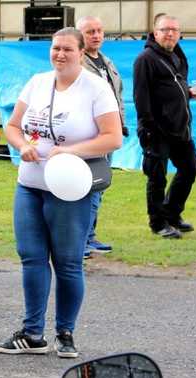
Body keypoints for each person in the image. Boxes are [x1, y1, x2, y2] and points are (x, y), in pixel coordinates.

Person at [0, 27, 121, 358]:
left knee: (67, 263)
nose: (60, 54)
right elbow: (12, 126)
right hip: (30, 185)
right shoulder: (37, 82)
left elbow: (113, 137)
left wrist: (73, 151)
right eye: (55, 48)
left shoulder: (96, 88)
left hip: (71, 190)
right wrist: (22, 145)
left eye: (67, 49)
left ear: (81, 53)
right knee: (31, 257)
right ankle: (32, 333)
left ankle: (65, 333)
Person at [133, 15, 196, 239]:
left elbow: (173, 87)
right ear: (155, 32)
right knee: (157, 178)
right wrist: (150, 127)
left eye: (174, 29)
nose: (170, 33)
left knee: (190, 168)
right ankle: (158, 223)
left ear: (180, 33)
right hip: (157, 130)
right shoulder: (145, 59)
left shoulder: (177, 55)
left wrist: (189, 92)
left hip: (180, 128)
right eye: (165, 30)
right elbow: (140, 98)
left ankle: (172, 213)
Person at [77, 16, 128, 258]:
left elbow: (118, 98)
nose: (96, 35)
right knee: (89, 188)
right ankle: (81, 240)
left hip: (110, 133)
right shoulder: (78, 64)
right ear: (80, 36)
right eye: (90, 32)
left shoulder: (106, 62)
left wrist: (121, 126)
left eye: (99, 30)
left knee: (100, 185)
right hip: (91, 136)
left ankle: (89, 236)